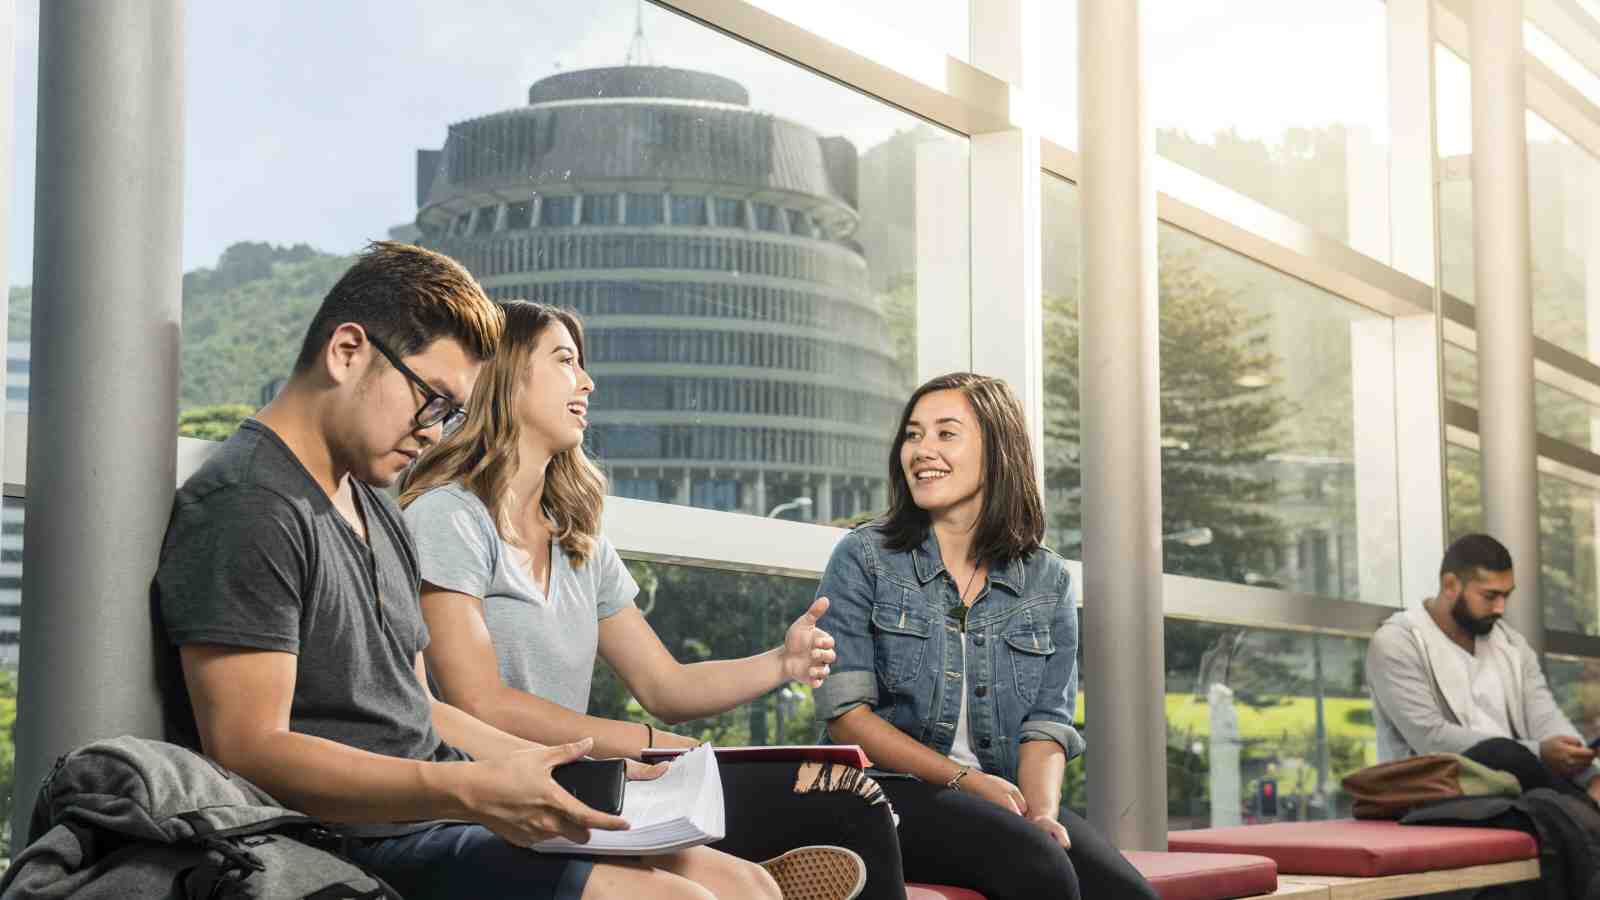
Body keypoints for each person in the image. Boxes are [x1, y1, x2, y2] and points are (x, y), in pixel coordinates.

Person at [153, 242, 780, 900]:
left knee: (746, 884)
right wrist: (466, 791)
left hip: (435, 808)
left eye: (451, 413)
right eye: (432, 399)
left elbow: (421, 708)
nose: (435, 431)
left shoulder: (376, 508)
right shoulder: (251, 503)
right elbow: (250, 748)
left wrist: (567, 767)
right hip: (351, 837)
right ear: (346, 352)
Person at [399, 300, 901, 900]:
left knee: (752, 886)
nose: (587, 381)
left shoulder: (577, 540)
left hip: (577, 786)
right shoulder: (449, 518)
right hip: (485, 797)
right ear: (506, 376)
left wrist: (780, 664)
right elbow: (479, 703)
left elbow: (666, 687)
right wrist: (646, 745)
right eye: (565, 361)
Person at [812, 372, 1160, 900]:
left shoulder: (1049, 579)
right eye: (912, 434)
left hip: (1002, 796)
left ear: (998, 450)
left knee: (1129, 894)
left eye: (945, 433)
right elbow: (847, 720)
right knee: (1038, 869)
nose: (921, 450)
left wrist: (1041, 812)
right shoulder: (864, 557)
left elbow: (1046, 727)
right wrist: (966, 781)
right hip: (881, 791)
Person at [1367, 532, 1600, 803]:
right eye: (1490, 596)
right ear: (1450, 584)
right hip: (1439, 793)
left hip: (1514, 784)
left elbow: (1543, 716)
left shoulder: (1511, 643)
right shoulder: (1398, 642)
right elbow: (1431, 739)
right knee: (1543, 799)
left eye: (1506, 596)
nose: (1500, 608)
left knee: (1571, 809)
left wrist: (1589, 774)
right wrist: (1539, 753)